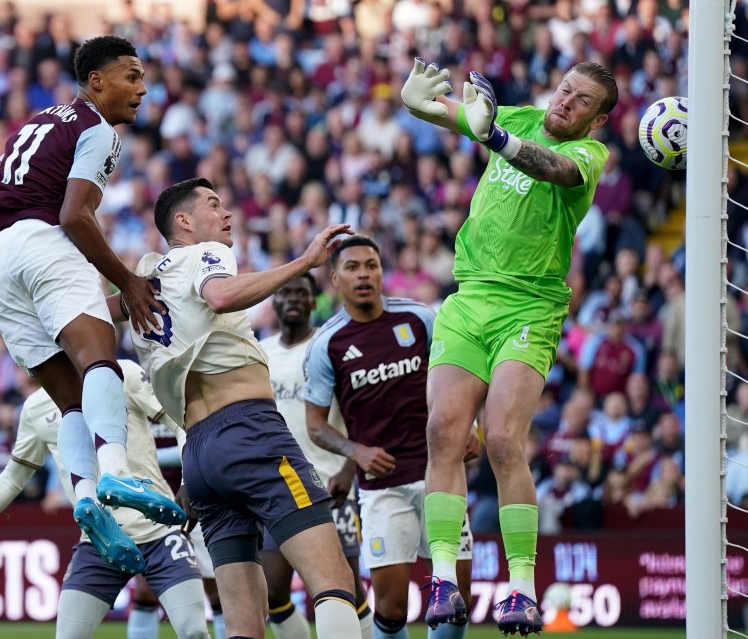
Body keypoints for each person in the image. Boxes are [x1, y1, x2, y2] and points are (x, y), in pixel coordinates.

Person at [401, 58, 617, 636]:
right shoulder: (518, 113)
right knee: (444, 432)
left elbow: (552, 168)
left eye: (582, 101)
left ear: (595, 121)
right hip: (469, 300)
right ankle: (444, 577)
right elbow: (445, 113)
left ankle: (521, 589)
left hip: (530, 307)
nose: (567, 101)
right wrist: (416, 100)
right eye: (566, 88)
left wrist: (493, 133)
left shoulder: (590, 157)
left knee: (500, 440)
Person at [0, 34, 184, 572]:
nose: (143, 89)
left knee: (70, 400)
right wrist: (127, 280)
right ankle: (115, 473)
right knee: (99, 351)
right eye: (132, 76)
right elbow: (74, 216)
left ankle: (85, 500)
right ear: (96, 81)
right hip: (42, 242)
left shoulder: (37, 121)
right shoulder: (97, 129)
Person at [130, 177, 362, 639]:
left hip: (199, 458)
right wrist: (305, 262)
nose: (227, 214)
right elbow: (221, 294)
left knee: (242, 622)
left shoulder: (147, 284)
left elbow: (91, 313)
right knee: (334, 582)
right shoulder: (205, 255)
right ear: (184, 222)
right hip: (250, 434)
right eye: (214, 205)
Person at [0, 356, 209, 639]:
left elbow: (181, 420)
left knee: (194, 633)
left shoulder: (122, 372)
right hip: (99, 542)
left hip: (160, 534)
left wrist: (191, 479)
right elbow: (13, 477)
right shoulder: (35, 408)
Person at [303, 236, 475, 639]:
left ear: (382, 271)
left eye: (371, 265)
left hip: (441, 476)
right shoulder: (327, 344)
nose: (363, 274)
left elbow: (459, 379)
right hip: (383, 489)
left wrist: (472, 426)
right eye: (352, 267)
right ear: (335, 278)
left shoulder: (419, 319)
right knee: (392, 608)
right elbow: (315, 424)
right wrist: (355, 451)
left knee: (457, 603)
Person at [258, 273, 372, 639]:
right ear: (274, 303)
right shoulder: (261, 351)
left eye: (300, 293)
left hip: (330, 483)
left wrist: (349, 467)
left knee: (346, 586)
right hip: (277, 487)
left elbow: (361, 415)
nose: (291, 299)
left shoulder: (330, 346)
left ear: (313, 301)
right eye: (284, 292)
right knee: (272, 593)